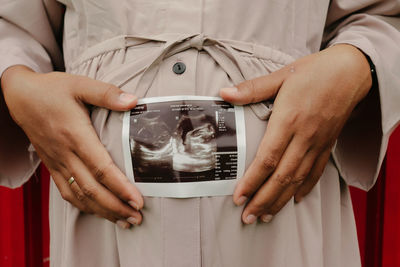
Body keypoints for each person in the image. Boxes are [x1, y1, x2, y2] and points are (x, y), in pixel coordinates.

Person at [1, 0, 399, 266]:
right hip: (103, 219)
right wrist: (16, 82)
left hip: (282, 212)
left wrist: (358, 62)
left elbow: (386, 14)